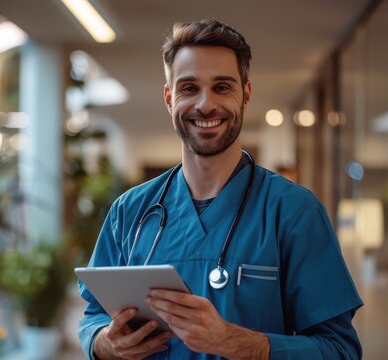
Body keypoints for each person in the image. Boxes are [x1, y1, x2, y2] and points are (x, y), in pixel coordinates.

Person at [78, 19, 362, 360]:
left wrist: (239, 343)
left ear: (246, 95)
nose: (205, 105)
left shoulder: (293, 212)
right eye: (188, 88)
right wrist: (106, 344)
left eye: (222, 87)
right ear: (169, 99)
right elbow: (93, 316)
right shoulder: (129, 212)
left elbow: (340, 350)